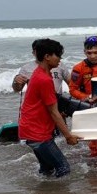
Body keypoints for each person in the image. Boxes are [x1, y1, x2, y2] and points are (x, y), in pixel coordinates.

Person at [18, 39, 80, 177]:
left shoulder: (39, 73)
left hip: (29, 130)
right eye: (57, 55)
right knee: (64, 169)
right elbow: (54, 112)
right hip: (38, 133)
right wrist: (68, 136)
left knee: (47, 170)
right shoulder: (44, 79)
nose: (60, 59)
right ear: (47, 57)